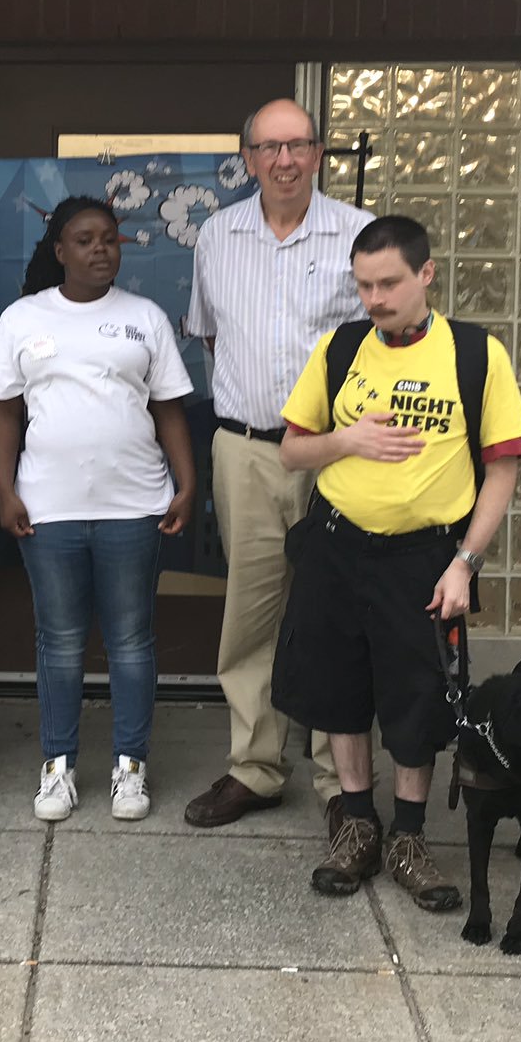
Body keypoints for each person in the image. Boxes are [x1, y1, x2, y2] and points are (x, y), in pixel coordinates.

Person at [272, 214, 521, 906]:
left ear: (426, 273)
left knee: (417, 699)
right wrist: (347, 440)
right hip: (335, 544)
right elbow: (293, 449)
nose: (376, 299)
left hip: (424, 556)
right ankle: (357, 826)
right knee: (338, 692)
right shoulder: (340, 349)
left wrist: (465, 564)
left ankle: (411, 839)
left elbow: (502, 469)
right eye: (363, 285)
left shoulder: (476, 355)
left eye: (389, 283)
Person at [182, 98, 372, 831]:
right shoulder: (217, 235)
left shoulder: (357, 235)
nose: (285, 161)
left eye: (298, 146)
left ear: (319, 153)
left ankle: (339, 779)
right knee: (252, 612)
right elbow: (211, 340)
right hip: (247, 451)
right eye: (270, 148)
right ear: (248, 158)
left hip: (339, 455)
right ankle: (255, 769)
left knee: (333, 612)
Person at [0, 197, 197, 823]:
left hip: (135, 505)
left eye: (109, 238)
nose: (100, 249)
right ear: (59, 249)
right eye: (84, 240)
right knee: (61, 642)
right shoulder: (23, 318)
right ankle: (59, 767)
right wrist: (5, 489)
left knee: (131, 641)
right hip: (47, 508)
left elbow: (168, 408)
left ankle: (130, 767)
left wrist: (187, 484)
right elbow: (3, 410)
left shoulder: (144, 318)